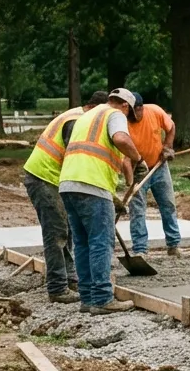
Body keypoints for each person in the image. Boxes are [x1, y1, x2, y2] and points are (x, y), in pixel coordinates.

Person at [59, 88, 145, 315]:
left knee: (83, 243)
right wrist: (139, 158)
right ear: (125, 106)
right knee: (100, 242)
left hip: (68, 183)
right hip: (92, 185)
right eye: (129, 115)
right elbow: (120, 138)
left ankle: (87, 298)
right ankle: (103, 298)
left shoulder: (87, 116)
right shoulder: (114, 115)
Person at [21, 89, 110, 303]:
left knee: (69, 230)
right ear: (97, 109)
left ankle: (70, 278)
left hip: (55, 179)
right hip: (43, 178)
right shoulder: (75, 122)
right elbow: (79, 160)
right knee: (57, 233)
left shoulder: (78, 117)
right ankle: (57, 288)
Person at [124, 93, 181, 258]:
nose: (131, 117)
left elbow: (171, 127)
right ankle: (140, 249)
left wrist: (168, 146)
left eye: (134, 113)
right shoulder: (123, 122)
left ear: (141, 108)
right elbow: (124, 159)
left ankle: (173, 245)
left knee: (168, 205)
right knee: (137, 210)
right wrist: (130, 182)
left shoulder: (154, 111)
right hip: (137, 171)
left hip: (159, 166)